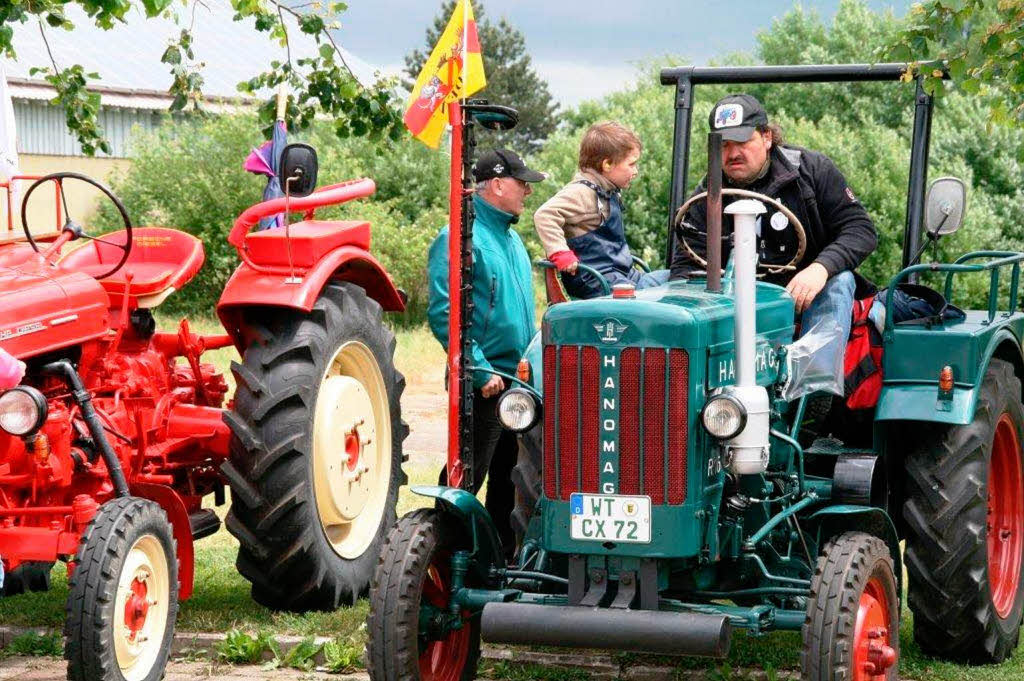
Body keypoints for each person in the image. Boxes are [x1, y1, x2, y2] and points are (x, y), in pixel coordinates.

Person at [671, 93, 877, 356]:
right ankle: (683, 383)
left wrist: (820, 268)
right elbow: (686, 263)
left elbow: (860, 230)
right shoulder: (707, 194)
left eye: (743, 141)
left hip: (802, 294)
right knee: (655, 284)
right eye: (723, 144)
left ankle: (815, 388)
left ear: (766, 137)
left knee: (840, 282)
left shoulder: (811, 171)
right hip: (732, 295)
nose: (733, 153)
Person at [427, 148, 544, 555]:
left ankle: (498, 563)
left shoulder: (511, 240)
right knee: (465, 477)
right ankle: (437, 556)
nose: (528, 191)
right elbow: (446, 312)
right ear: (496, 184)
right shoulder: (458, 238)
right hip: (486, 383)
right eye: (521, 182)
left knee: (511, 480)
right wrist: (477, 368)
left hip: (517, 381)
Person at [534, 121, 669, 299]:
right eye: (631, 164)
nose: (635, 171)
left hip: (621, 274)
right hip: (598, 281)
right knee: (667, 288)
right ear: (607, 165)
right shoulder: (582, 192)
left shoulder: (606, 190)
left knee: (678, 277)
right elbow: (544, 214)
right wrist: (560, 252)